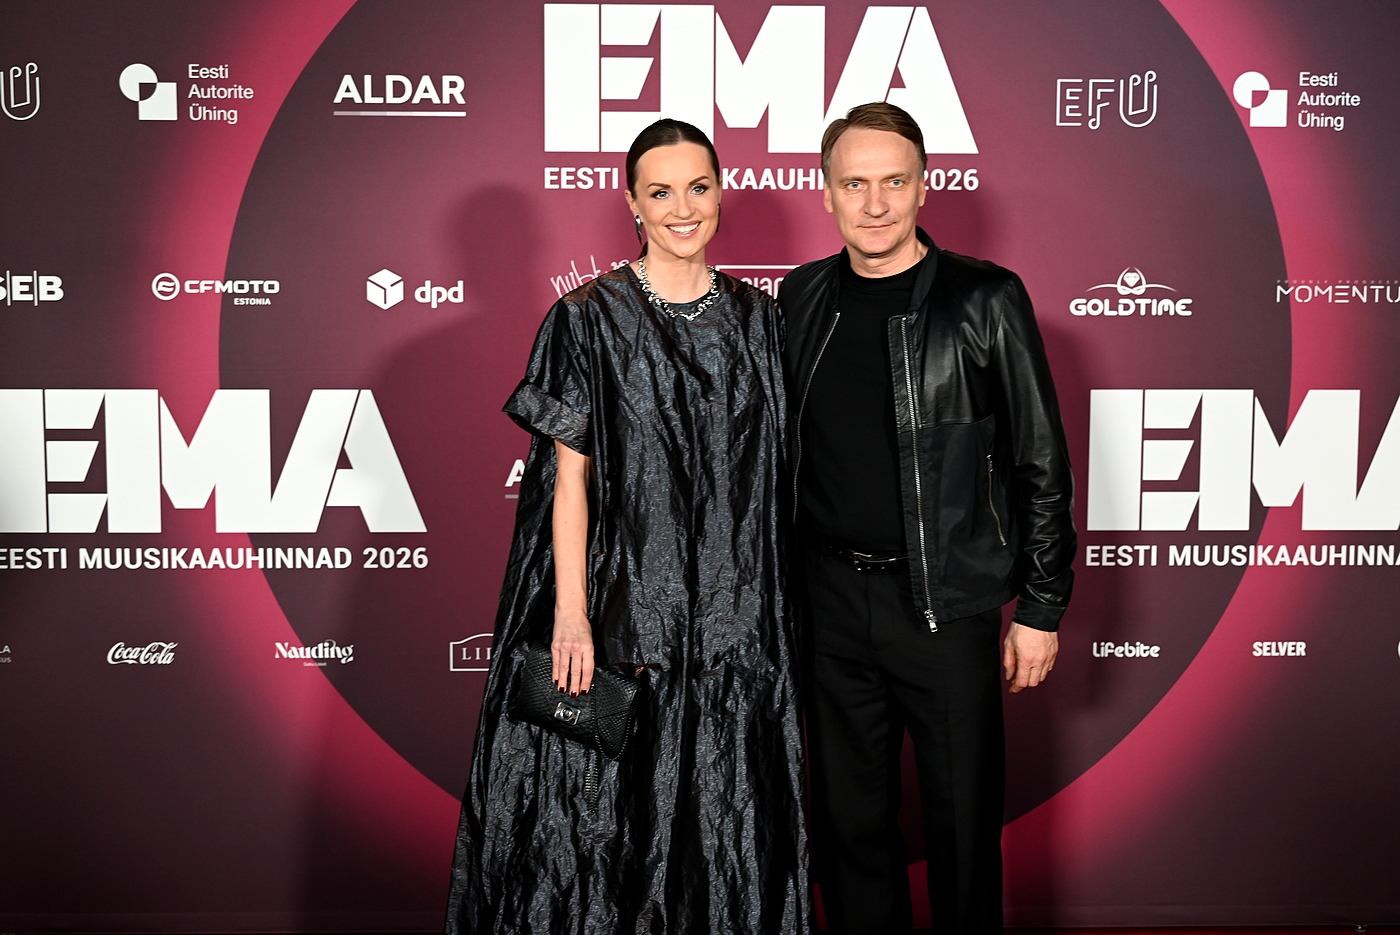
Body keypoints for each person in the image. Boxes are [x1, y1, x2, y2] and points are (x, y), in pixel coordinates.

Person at [445, 119, 809, 934]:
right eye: (660, 192)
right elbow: (567, 482)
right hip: (624, 612)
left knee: (731, 821)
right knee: (614, 835)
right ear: (631, 203)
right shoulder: (585, 319)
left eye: (698, 187)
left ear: (721, 192)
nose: (683, 208)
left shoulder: (764, 322)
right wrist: (571, 614)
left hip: (741, 621)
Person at [779, 102, 1076, 934]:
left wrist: (1042, 607)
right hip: (830, 604)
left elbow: (1040, 460)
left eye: (893, 182)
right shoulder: (801, 296)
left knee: (962, 829)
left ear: (923, 187)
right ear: (827, 192)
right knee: (849, 829)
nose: (874, 203)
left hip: (944, 603)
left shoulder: (986, 299)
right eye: (855, 184)